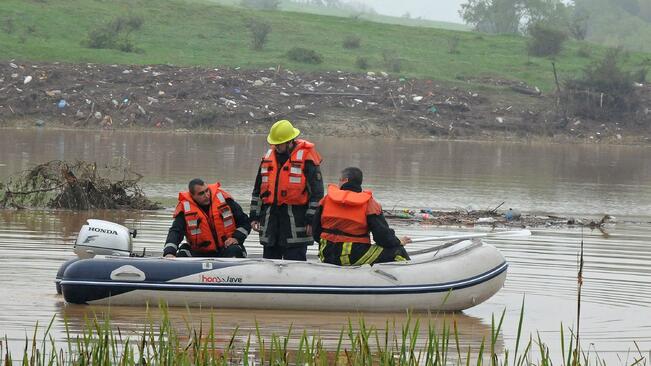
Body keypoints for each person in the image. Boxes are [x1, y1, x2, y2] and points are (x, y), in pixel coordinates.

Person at [249, 120, 324, 261]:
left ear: (290, 141)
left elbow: (317, 194)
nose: (276, 147)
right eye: (275, 144)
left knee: (295, 264)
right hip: (271, 223)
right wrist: (254, 216)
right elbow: (258, 190)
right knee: (269, 263)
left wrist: (311, 220)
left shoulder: (307, 160)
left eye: (279, 144)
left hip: (296, 222)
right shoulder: (267, 158)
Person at [312, 167, 411, 266]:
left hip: (326, 255)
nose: (338, 183)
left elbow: (316, 233)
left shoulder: (326, 200)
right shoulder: (369, 203)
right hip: (352, 256)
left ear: (345, 180)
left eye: (339, 180)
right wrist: (398, 242)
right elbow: (382, 237)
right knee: (398, 251)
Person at [164, 178, 250, 258]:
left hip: (226, 248)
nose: (206, 195)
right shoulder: (185, 209)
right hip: (199, 253)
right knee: (184, 251)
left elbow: (245, 222)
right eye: (201, 193)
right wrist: (169, 252)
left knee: (234, 249)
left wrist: (236, 238)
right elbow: (175, 232)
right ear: (192, 196)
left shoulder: (225, 200)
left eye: (207, 191)